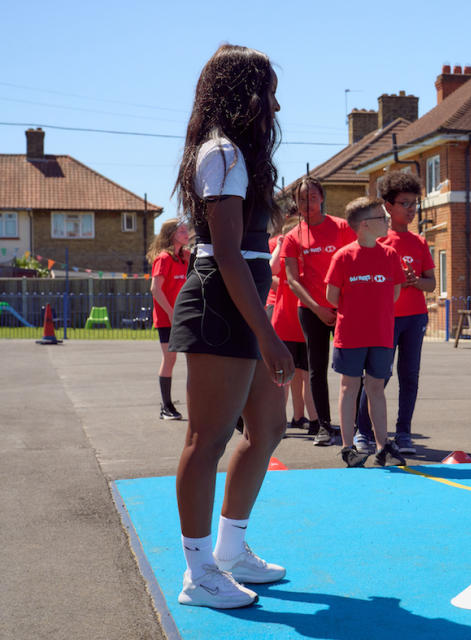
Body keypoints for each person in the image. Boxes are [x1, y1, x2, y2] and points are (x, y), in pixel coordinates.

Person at [168, 44, 294, 609]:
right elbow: (224, 250)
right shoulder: (220, 153)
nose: (274, 101)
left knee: (267, 429)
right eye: (266, 89)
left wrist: (263, 326)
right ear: (244, 92)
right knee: (207, 439)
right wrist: (267, 334)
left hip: (240, 304)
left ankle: (229, 551)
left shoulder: (235, 155)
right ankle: (199, 574)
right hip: (218, 304)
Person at [355, 172, 436, 455]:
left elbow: (431, 283)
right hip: (384, 319)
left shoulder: (419, 242)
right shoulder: (378, 241)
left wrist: (415, 281)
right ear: (388, 207)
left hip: (415, 319)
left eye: (415, 204)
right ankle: (363, 432)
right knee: (378, 376)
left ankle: (403, 433)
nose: (412, 209)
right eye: (405, 204)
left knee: (409, 377)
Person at [326, 196, 407, 468]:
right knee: (349, 387)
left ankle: (383, 446)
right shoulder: (343, 256)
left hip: (382, 333)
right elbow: (332, 295)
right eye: (381, 218)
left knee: (376, 388)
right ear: (364, 225)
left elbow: (394, 292)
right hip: (350, 334)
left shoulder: (390, 255)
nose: (387, 222)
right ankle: (349, 448)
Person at [281, 175, 356, 445]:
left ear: (321, 198)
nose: (308, 203)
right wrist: (317, 308)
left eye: (312, 197)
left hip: (344, 308)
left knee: (352, 367)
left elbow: (357, 262)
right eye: (302, 199)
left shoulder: (342, 228)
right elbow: (291, 280)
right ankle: (324, 426)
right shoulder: (292, 237)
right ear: (296, 202)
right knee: (316, 368)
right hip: (311, 310)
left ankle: (359, 427)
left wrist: (341, 304)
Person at [271, 217, 319, 434]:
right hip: (285, 323)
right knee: (284, 379)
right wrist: (280, 245)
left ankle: (314, 420)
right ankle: (277, 422)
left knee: (308, 376)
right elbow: (271, 269)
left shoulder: (309, 258)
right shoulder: (284, 258)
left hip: (306, 323)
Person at [148, 219, 190, 420]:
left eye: (186, 229)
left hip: (185, 317)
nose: (186, 232)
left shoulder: (186, 257)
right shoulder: (163, 258)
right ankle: (166, 406)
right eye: (181, 230)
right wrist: (172, 313)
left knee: (194, 359)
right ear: (171, 234)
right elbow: (155, 289)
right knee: (170, 358)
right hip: (167, 319)